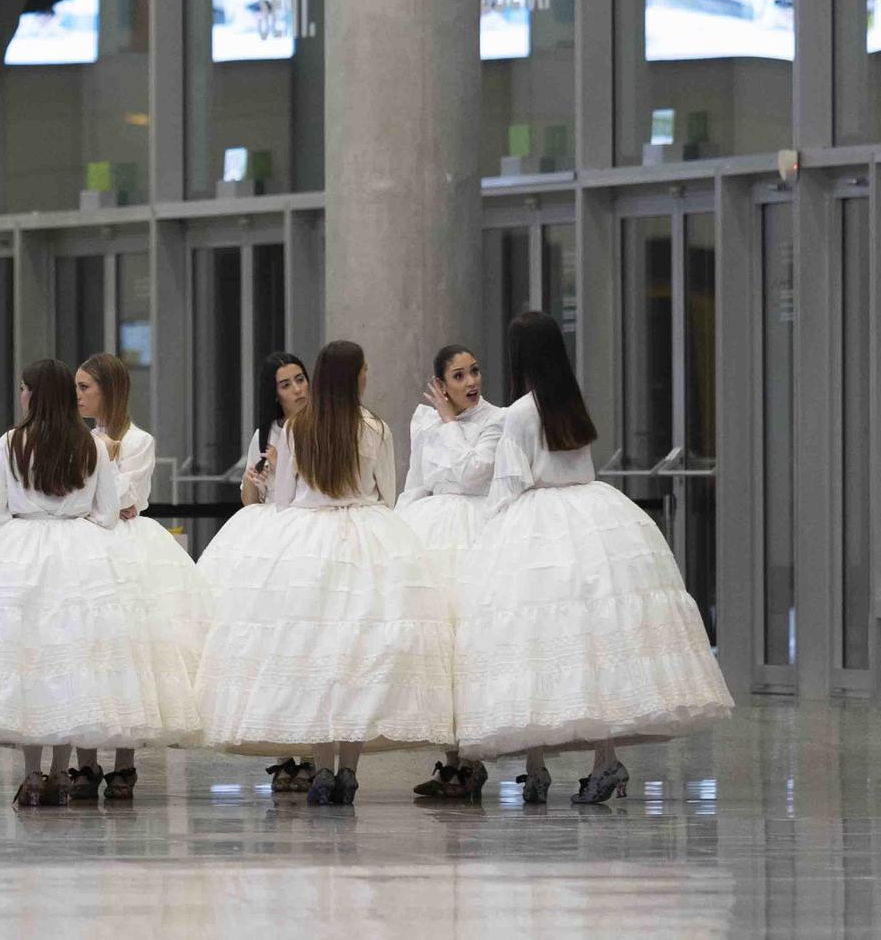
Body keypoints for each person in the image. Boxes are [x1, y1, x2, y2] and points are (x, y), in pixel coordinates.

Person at [0, 359, 199, 807]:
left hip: (19, 545)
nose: (20, 395)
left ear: (34, 394)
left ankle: (33, 774)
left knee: (28, 661)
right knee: (74, 661)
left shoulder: (11, 442)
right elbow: (109, 513)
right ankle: (60, 771)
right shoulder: (92, 444)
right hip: (84, 549)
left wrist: (25, 516)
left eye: (23, 388)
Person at [453, 312, 733, 804]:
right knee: (594, 647)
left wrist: (488, 538)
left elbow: (511, 481)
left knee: (533, 645)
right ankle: (605, 760)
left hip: (534, 523)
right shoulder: (570, 402)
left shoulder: (518, 413)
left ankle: (536, 766)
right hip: (590, 515)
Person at [193, 340, 452, 806]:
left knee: (312, 656)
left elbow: (287, 495)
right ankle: (349, 770)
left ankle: (322, 767)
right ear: (355, 376)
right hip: (367, 537)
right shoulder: (374, 427)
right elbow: (387, 494)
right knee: (358, 655)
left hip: (306, 539)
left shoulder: (295, 429)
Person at [69, 352, 214, 804]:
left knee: (133, 645)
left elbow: (125, 496)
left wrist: (105, 483)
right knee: (86, 645)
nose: (77, 396)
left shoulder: (138, 440)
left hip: (130, 545)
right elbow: (78, 493)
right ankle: (85, 758)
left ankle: (125, 762)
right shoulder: (75, 437)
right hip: (87, 540)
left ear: (108, 390)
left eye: (85, 387)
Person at [196, 351, 312, 793]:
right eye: (286, 384)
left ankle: (308, 743)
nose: (298, 389)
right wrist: (256, 474)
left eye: (300, 379)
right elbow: (250, 499)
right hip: (269, 535)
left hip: (306, 531)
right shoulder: (268, 433)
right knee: (266, 639)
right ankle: (283, 754)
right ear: (273, 393)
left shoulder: (318, 427)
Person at [396, 343, 505, 801]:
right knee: (438, 642)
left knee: (471, 641)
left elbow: (473, 475)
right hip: (432, 531)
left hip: (477, 530)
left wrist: (448, 424)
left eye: (475, 372)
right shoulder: (422, 421)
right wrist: (396, 529)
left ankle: (473, 757)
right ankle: (451, 759)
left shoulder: (496, 420)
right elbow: (418, 479)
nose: (471, 383)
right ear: (441, 384)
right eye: (458, 376)